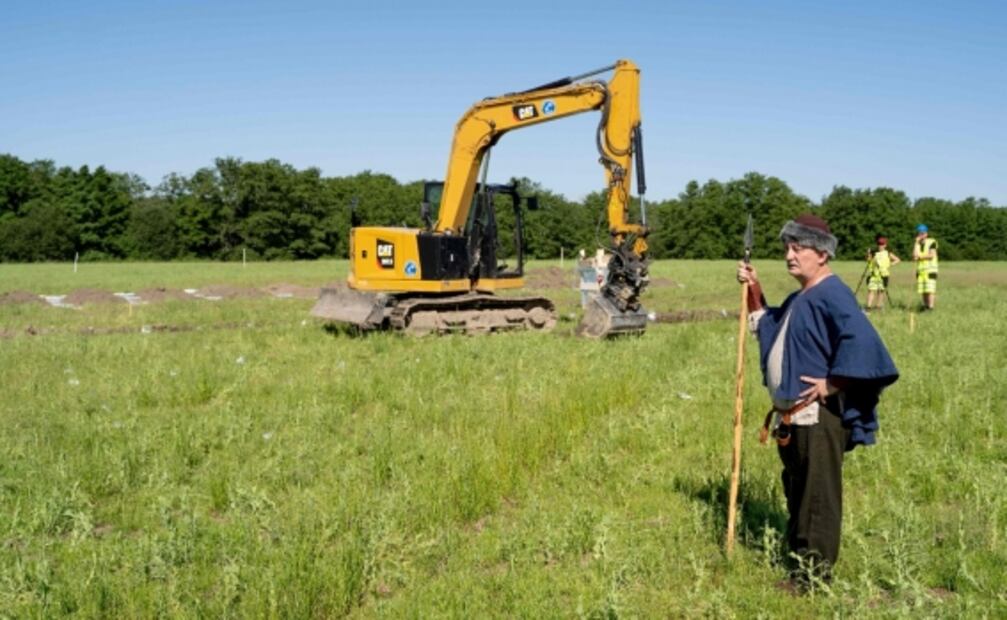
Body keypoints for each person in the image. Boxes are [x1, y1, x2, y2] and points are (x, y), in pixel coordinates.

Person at [736, 214, 899, 589]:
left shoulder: (833, 293)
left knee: (818, 498)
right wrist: (753, 288)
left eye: (798, 248)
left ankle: (812, 578)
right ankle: (799, 562)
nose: (790, 255)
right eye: (787, 248)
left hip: (819, 417)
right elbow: (770, 325)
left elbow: (863, 343)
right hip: (793, 419)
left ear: (822, 254)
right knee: (798, 491)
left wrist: (832, 383)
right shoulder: (803, 295)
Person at [865, 236, 901, 310]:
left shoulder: (888, 253)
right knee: (871, 291)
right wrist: (868, 254)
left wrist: (889, 265)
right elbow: (868, 260)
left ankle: (878, 306)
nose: (880, 246)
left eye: (882, 244)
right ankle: (868, 307)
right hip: (874, 275)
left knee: (881, 291)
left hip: (884, 275)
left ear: (885, 245)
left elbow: (897, 260)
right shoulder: (874, 253)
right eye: (879, 244)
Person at [912, 224, 938, 310]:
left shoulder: (932, 242)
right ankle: (925, 306)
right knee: (923, 290)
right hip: (921, 270)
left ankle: (931, 307)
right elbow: (914, 256)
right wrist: (916, 243)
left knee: (930, 290)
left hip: (930, 270)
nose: (921, 235)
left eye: (922, 233)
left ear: (926, 234)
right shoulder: (918, 244)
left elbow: (932, 255)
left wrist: (920, 257)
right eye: (919, 233)